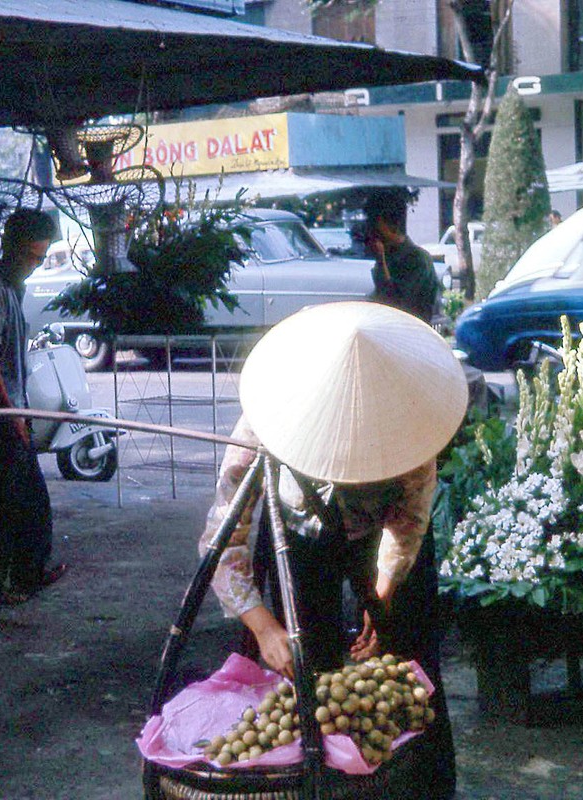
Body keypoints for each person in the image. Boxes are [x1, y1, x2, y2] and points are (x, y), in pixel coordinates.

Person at [199, 301, 469, 799]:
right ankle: (320, 780)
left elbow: (409, 519)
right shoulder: (267, 419)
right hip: (300, 536)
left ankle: (417, 784)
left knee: (410, 664)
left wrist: (383, 589)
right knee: (306, 660)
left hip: (382, 531)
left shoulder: (412, 420)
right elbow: (224, 536)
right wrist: (263, 626)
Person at [0, 208, 66, 604]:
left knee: (28, 503)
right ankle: (3, 583)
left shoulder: (13, 289)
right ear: (11, 248)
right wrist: (11, 413)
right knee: (6, 505)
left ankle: (25, 574)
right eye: (32, 257)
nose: (35, 266)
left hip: (12, 410)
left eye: (41, 259)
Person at [362, 191, 439, 324]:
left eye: (374, 223)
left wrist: (381, 261)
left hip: (410, 331)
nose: (370, 229)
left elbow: (397, 303)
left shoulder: (416, 259)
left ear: (389, 225)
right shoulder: (389, 255)